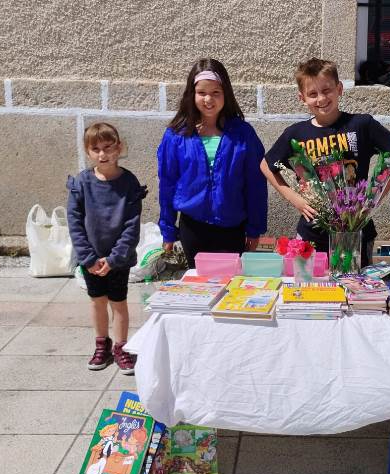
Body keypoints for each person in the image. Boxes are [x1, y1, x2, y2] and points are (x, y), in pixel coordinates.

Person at [261, 57, 390, 266]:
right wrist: (295, 199)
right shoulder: (296, 133)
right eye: (312, 94)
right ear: (302, 98)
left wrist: (375, 198)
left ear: (339, 89)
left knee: (355, 282)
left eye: (326, 90)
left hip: (356, 230)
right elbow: (266, 165)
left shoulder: (362, 124)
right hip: (312, 231)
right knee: (310, 282)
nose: (321, 98)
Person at [157, 58, 268, 268]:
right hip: (193, 228)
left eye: (216, 92)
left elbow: (255, 184)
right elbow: (167, 184)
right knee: (199, 282)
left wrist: (255, 229)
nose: (208, 99)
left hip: (231, 228)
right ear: (192, 94)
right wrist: (168, 230)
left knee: (230, 284)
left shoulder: (243, 134)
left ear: (226, 94)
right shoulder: (176, 135)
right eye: (202, 93)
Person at [67, 122, 146, 374]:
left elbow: (131, 226)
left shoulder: (129, 183)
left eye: (108, 148)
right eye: (96, 149)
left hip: (118, 260)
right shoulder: (82, 183)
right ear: (88, 151)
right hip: (91, 259)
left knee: (118, 302)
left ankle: (122, 347)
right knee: (97, 302)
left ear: (119, 148)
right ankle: (102, 345)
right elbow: (75, 223)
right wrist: (88, 258)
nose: (103, 154)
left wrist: (114, 259)